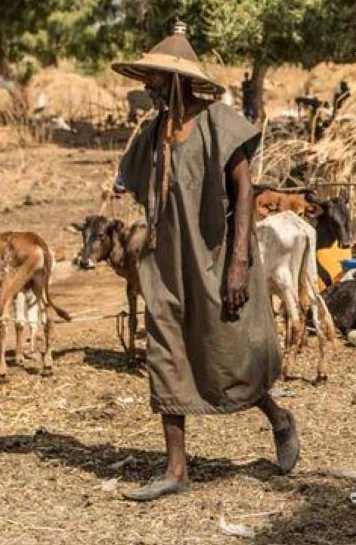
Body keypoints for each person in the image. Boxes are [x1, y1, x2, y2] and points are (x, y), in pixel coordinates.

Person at [110, 25, 298, 502]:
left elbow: (245, 191)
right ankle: (176, 468)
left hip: (214, 258)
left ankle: (278, 418)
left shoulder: (219, 122)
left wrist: (238, 263)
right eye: (148, 79)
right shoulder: (152, 133)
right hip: (166, 265)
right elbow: (133, 182)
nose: (149, 88)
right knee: (166, 354)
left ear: (178, 82)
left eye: (157, 81)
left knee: (228, 352)